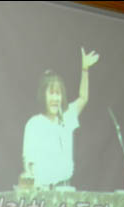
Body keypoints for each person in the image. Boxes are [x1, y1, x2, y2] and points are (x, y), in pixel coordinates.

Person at [21, 47, 99, 188]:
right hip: (42, 191)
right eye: (51, 93)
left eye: (58, 93)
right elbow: (29, 163)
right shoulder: (34, 124)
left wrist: (85, 69)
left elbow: (83, 98)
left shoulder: (66, 118)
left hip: (65, 189)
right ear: (43, 95)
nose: (55, 98)